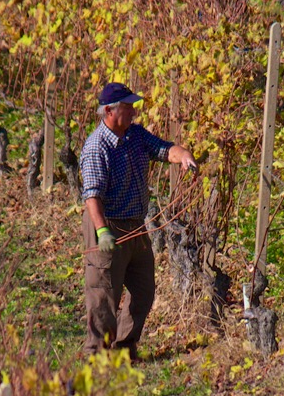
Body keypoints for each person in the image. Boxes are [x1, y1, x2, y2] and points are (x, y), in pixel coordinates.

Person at [79, 82, 197, 359]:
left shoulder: (135, 135)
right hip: (107, 223)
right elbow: (92, 196)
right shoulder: (97, 147)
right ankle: (96, 358)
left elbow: (165, 149)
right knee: (104, 296)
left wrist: (184, 157)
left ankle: (123, 349)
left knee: (143, 292)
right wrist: (102, 232)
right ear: (109, 111)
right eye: (128, 107)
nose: (133, 112)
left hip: (136, 225)